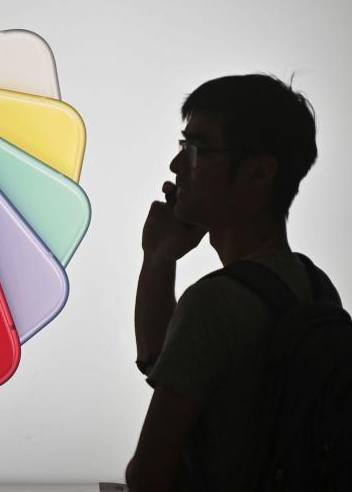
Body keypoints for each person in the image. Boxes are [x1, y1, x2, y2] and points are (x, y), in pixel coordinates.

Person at [125, 73, 340, 491]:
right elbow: (163, 361)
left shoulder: (216, 302)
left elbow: (146, 477)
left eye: (197, 149)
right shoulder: (315, 286)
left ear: (258, 173)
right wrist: (159, 259)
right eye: (181, 146)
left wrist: (156, 259)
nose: (176, 165)